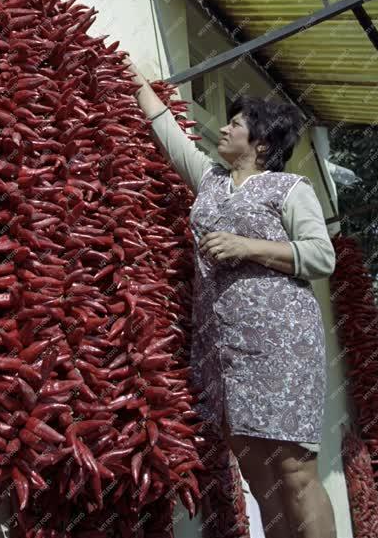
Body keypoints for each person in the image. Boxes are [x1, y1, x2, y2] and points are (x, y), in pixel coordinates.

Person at [124, 57, 337, 538]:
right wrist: (134, 79)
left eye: (235, 124)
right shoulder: (211, 182)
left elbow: (322, 257)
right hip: (224, 350)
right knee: (258, 478)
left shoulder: (289, 189)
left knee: (294, 470)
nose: (222, 128)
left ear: (260, 143)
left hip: (281, 345)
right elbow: (168, 134)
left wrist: (249, 247)